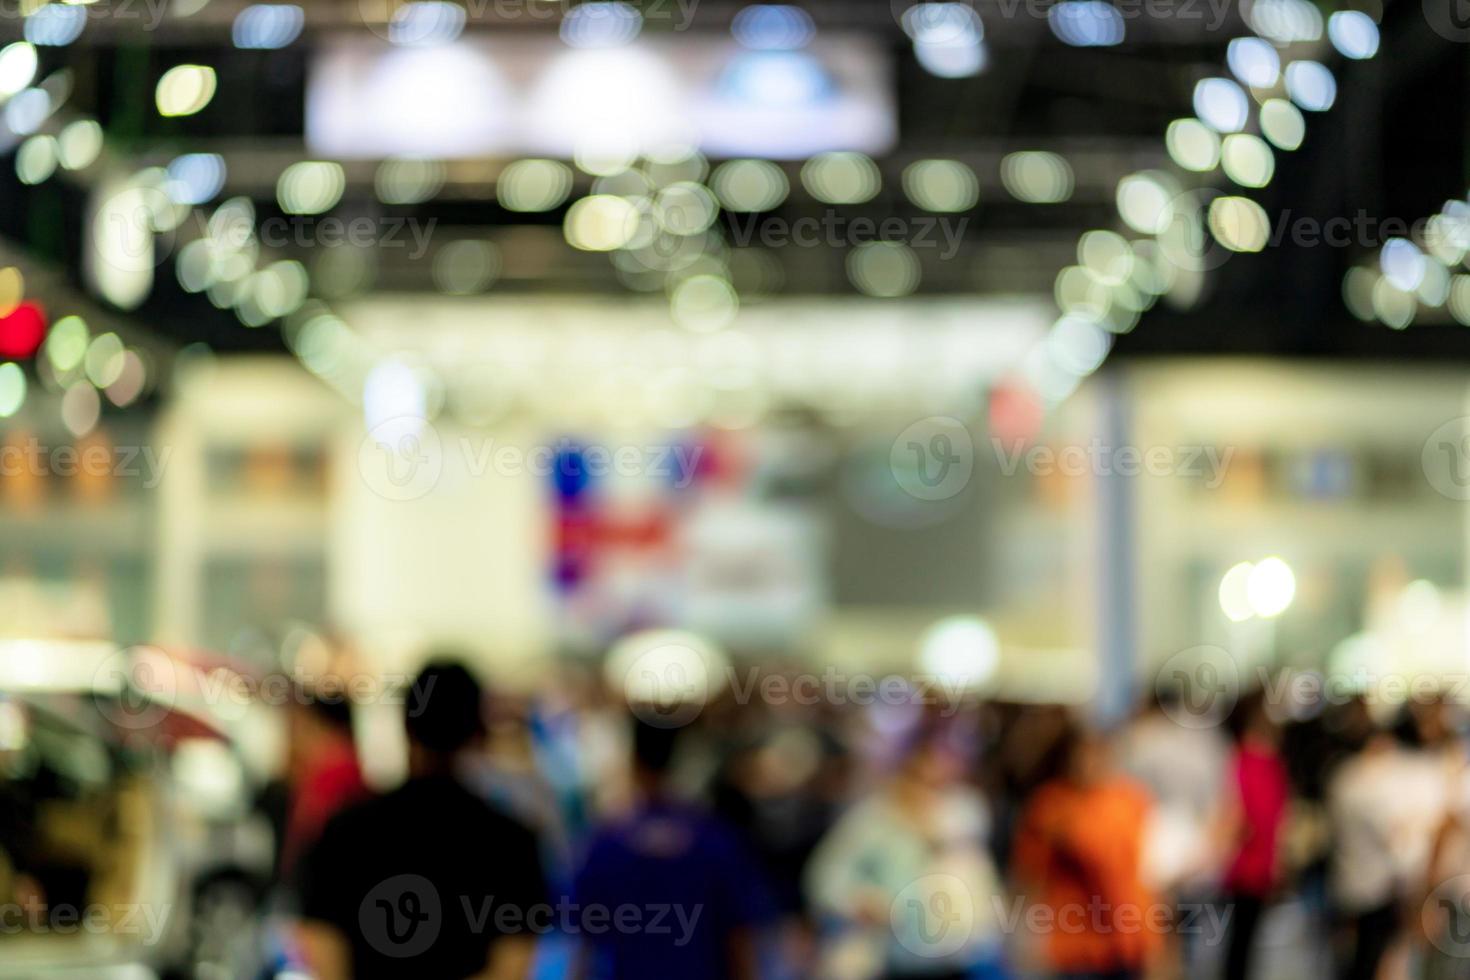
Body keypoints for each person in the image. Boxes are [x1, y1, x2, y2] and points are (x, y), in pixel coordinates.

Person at [295, 661, 548, 980]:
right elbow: (511, 966)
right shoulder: (511, 840)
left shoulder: (346, 830)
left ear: (405, 725)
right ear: (477, 731)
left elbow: (321, 943)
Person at [804, 714, 1005, 980]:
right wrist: (861, 902)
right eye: (919, 778)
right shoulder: (875, 817)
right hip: (892, 956)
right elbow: (827, 874)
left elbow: (978, 880)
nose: (927, 790)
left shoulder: (963, 815)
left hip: (957, 955)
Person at [572, 714, 771, 980]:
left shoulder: (607, 841)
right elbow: (740, 937)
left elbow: (585, 942)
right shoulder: (716, 840)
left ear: (633, 762)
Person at [1011, 722, 1161, 980]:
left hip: (1128, 937)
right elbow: (1030, 873)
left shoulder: (1130, 800)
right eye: (1083, 755)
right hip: (1078, 943)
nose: (1090, 763)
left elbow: (1144, 870)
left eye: (1098, 754)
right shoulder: (1053, 805)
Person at [1218, 691, 1292, 980]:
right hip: (1241, 867)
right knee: (1239, 944)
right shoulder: (1241, 761)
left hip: (1258, 866)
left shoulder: (1267, 762)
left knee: (1245, 944)